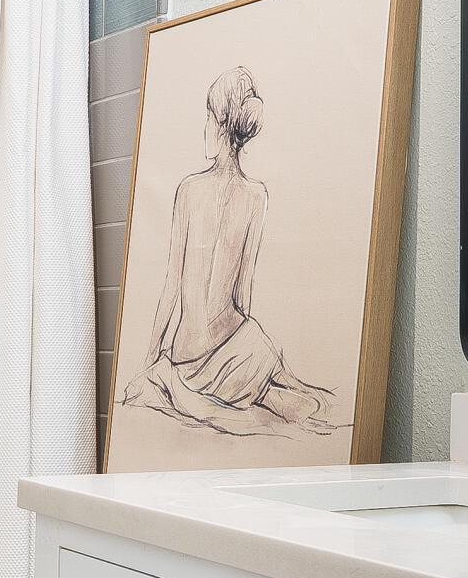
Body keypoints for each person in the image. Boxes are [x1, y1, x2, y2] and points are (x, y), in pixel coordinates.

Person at [121, 66, 339, 436]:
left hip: (191, 357)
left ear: (219, 124)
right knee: (286, 394)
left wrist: (149, 362)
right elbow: (243, 292)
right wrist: (242, 357)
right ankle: (271, 390)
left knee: (266, 393)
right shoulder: (257, 196)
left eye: (207, 117)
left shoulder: (188, 191)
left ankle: (266, 390)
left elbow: (172, 285)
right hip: (242, 341)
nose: (203, 127)